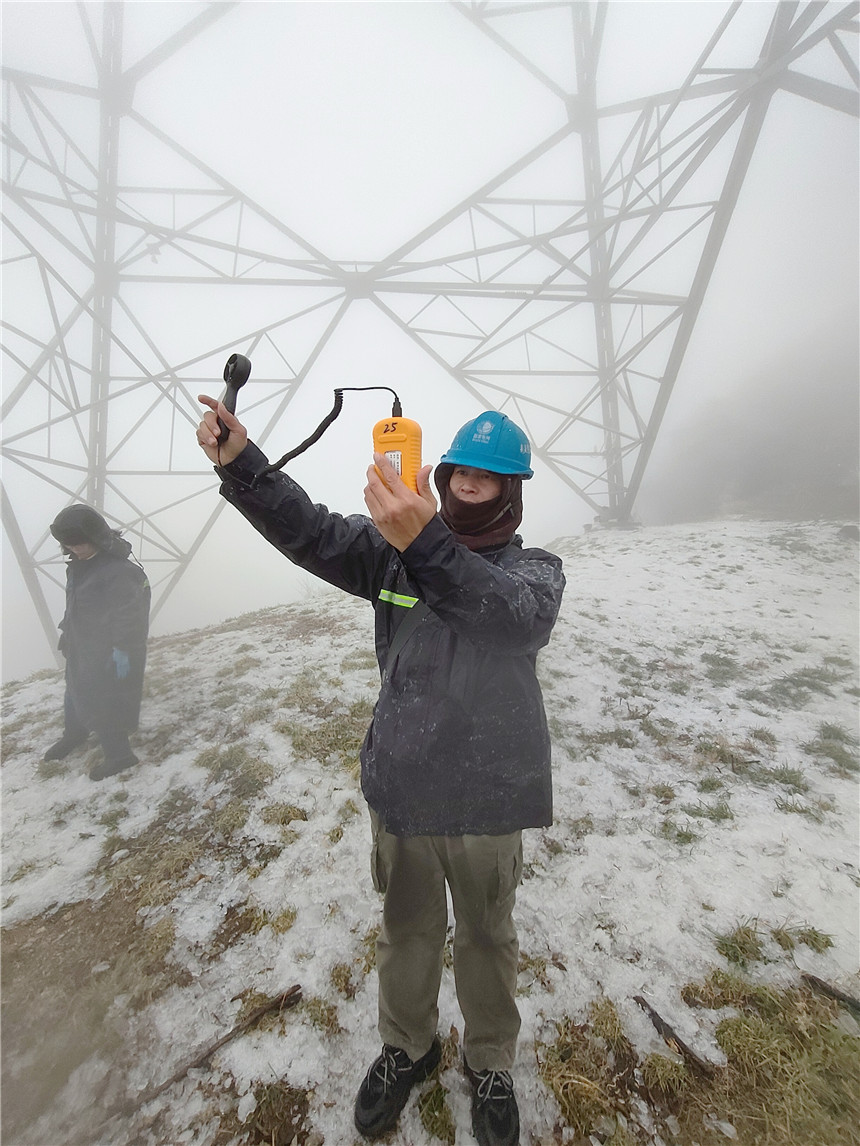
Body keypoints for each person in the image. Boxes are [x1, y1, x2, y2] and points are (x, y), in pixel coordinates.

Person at [196, 395, 565, 1146]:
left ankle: (489, 1061)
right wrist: (243, 465)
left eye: (488, 479)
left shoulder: (534, 571)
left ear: (511, 490)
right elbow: (310, 531)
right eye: (461, 472)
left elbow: (511, 619)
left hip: (490, 799)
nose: (470, 484)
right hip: (402, 786)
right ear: (444, 472)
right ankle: (408, 1049)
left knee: (489, 937)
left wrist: (425, 538)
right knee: (407, 930)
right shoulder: (390, 552)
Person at [44, 504, 150, 781]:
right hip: (81, 644)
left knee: (105, 698)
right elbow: (76, 604)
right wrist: (68, 633)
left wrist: (122, 650)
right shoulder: (80, 565)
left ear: (97, 536)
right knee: (74, 689)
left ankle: (120, 755)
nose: (76, 549)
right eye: (69, 545)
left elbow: (129, 616)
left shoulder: (119, 571)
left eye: (80, 543)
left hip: (109, 649)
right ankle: (75, 732)